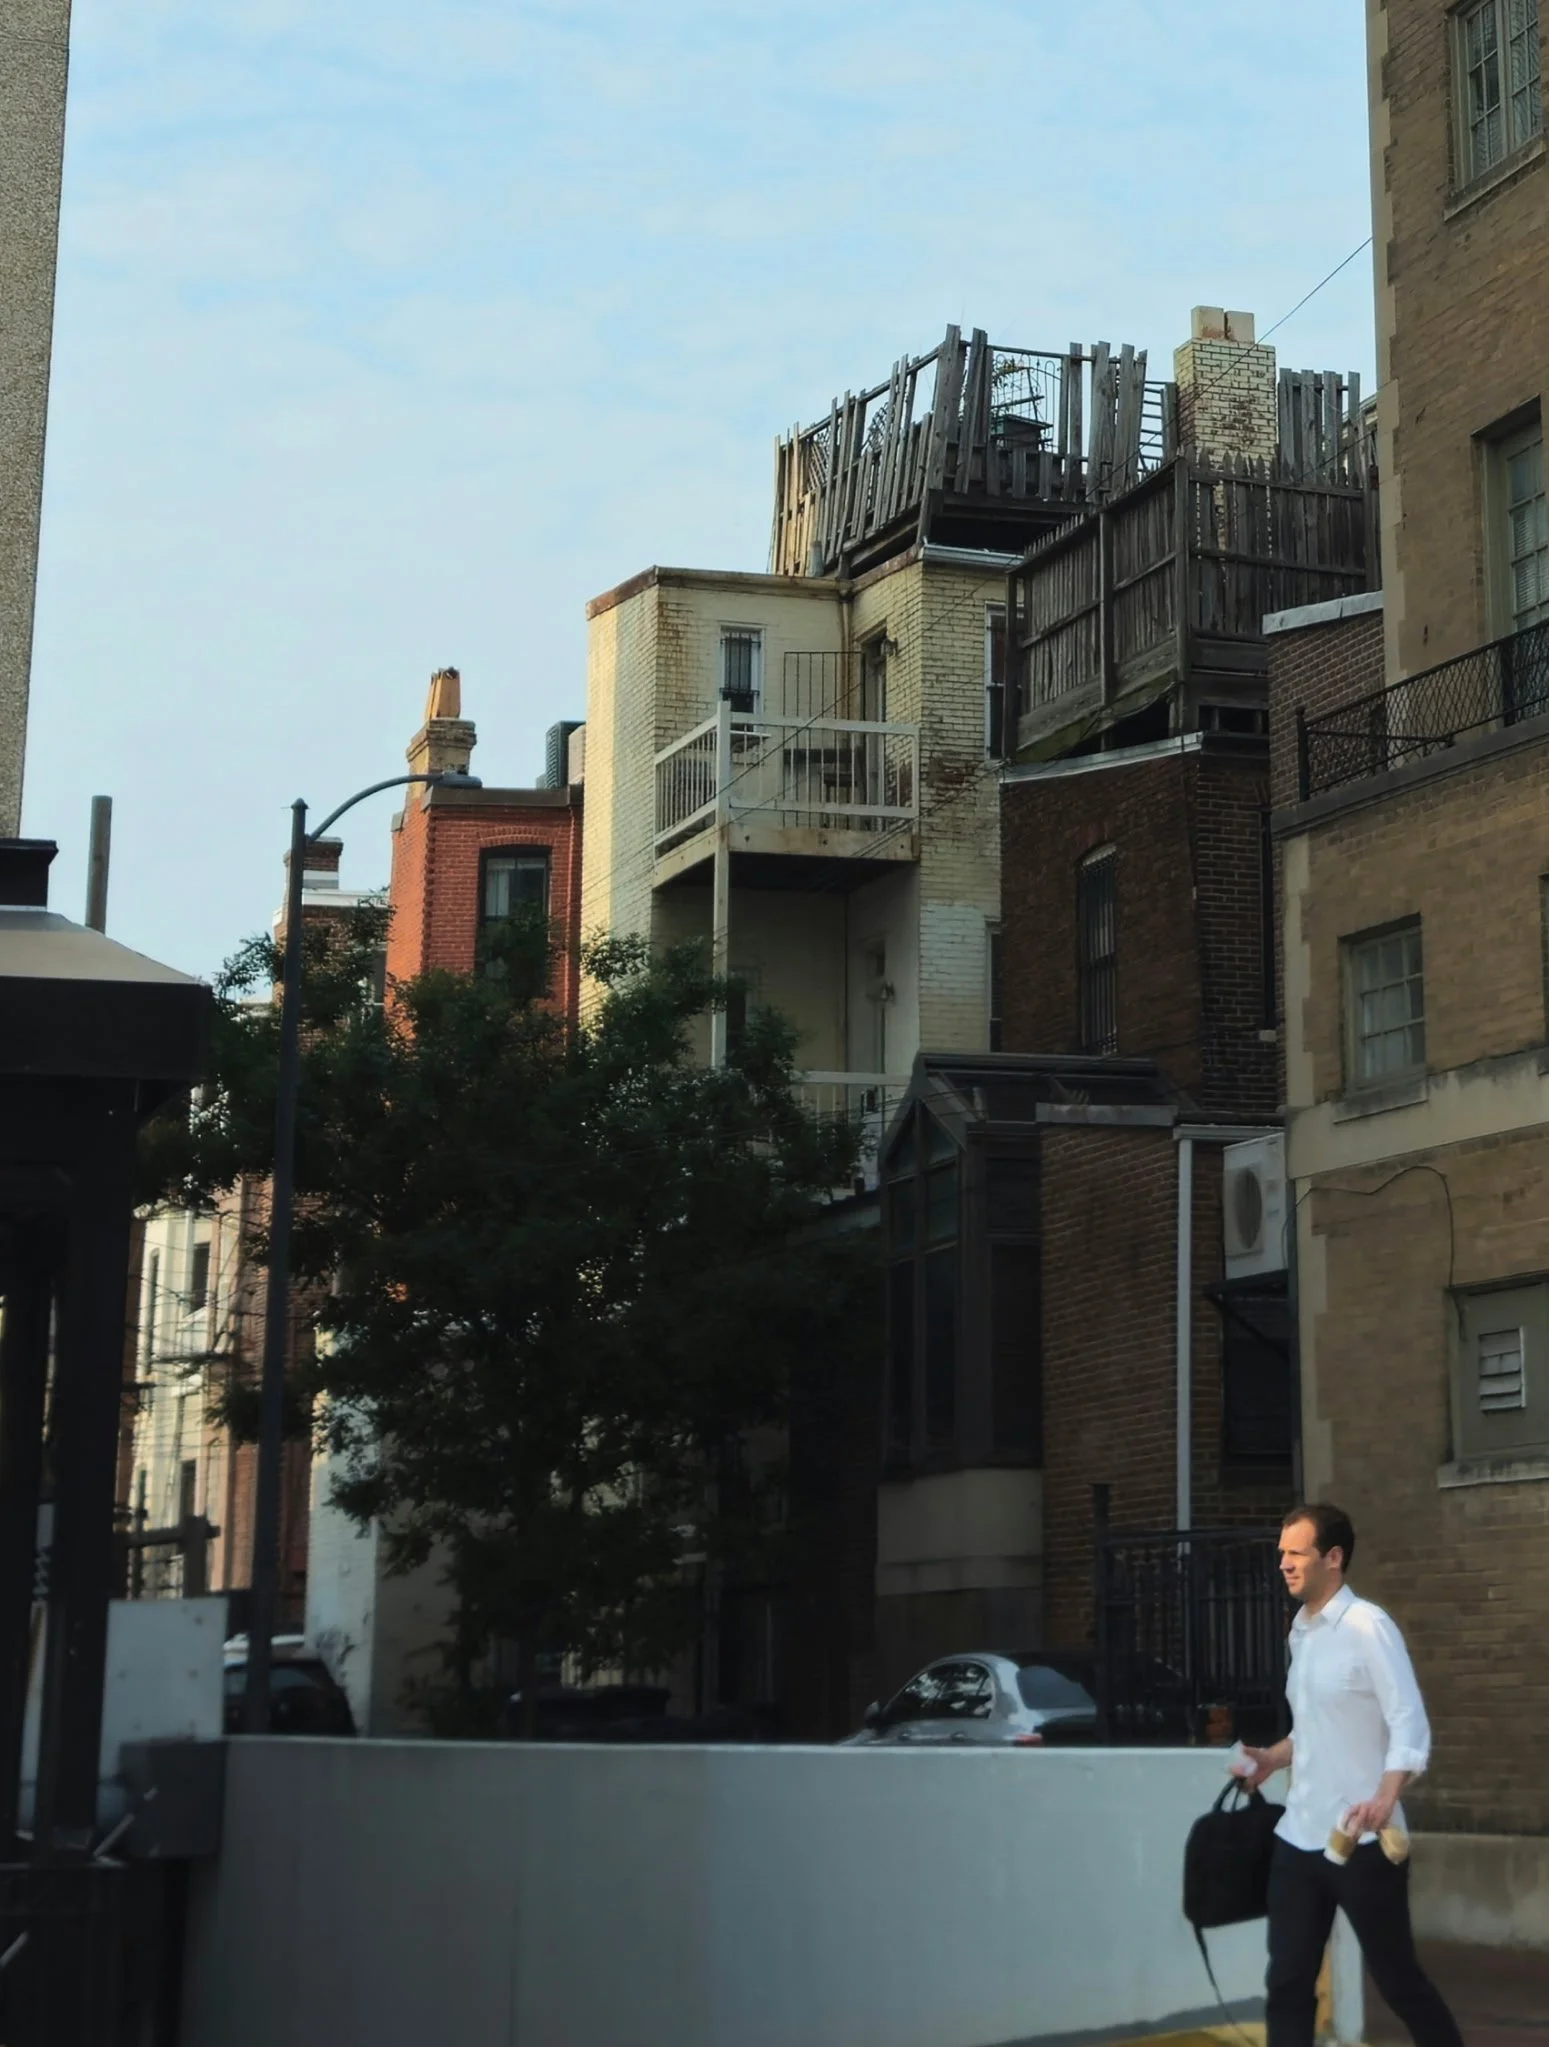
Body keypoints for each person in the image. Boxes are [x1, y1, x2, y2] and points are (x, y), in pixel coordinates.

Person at [1236, 1503, 1464, 2047]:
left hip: (1360, 1839)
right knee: (1287, 1982)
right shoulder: (1301, 1632)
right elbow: (1313, 1730)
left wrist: (1386, 1799)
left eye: (1297, 1553)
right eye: (1281, 1554)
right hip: (1298, 1837)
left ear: (1333, 1558)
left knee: (1397, 1980)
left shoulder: (1368, 1627)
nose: (1285, 1564)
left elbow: (1408, 1722)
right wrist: (1274, 1756)